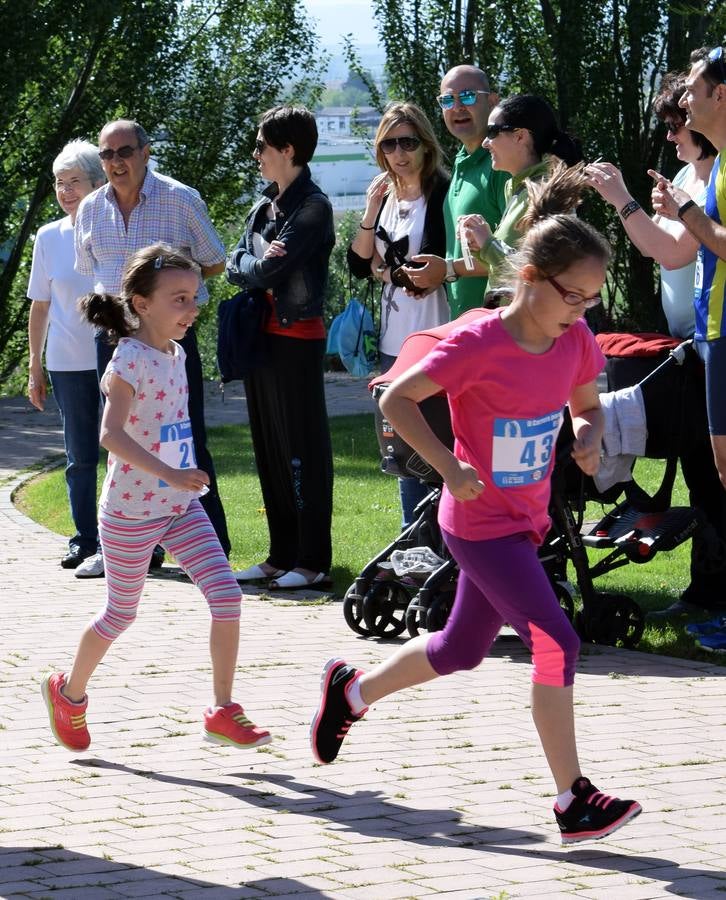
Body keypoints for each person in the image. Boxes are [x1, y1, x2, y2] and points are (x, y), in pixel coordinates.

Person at [310, 169, 642, 845]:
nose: (581, 310)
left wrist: (587, 436)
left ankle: (351, 692)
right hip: (478, 527)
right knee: (558, 640)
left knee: (460, 650)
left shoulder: (574, 340)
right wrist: (448, 466)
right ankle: (572, 800)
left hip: (526, 524)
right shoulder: (480, 344)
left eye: (589, 299)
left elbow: (585, 406)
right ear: (530, 279)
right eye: (571, 295)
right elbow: (395, 400)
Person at [40, 243, 270, 754]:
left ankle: (222, 710)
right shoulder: (128, 359)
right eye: (179, 300)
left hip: (178, 508)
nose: (193, 309)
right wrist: (170, 471)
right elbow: (110, 436)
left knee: (227, 596)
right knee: (120, 615)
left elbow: (170, 425)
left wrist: (186, 470)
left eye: (194, 298)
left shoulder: (177, 352)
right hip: (129, 514)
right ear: (142, 304)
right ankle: (68, 693)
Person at [587, 72, 726, 617]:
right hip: (694, 339)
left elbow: (672, 252)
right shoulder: (690, 175)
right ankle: (707, 591)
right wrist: (623, 200)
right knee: (703, 470)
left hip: (711, 336)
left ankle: (713, 595)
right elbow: (658, 247)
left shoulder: (711, 175)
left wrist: (623, 197)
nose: (671, 134)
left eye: (677, 123)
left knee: (714, 473)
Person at [73, 118, 230, 578]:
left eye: (124, 152)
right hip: (115, 341)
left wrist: (172, 301)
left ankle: (208, 547)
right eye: (107, 155)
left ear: (145, 152)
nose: (116, 163)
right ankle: (126, 549)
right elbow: (92, 271)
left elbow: (214, 260)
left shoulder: (180, 199)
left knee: (183, 437)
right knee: (120, 439)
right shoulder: (89, 209)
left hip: (167, 339)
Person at [226, 106, 335, 591]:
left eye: (262, 146)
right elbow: (236, 258)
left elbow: (266, 271)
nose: (256, 155)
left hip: (297, 339)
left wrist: (252, 261)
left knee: (302, 451)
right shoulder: (267, 203)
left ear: (287, 150)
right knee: (270, 448)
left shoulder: (312, 207)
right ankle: (279, 554)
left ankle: (312, 561)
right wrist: (252, 259)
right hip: (262, 338)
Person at [348, 101, 450, 528]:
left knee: (439, 449)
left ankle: (445, 543)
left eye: (408, 142)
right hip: (394, 347)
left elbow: (435, 265)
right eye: (389, 144)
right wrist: (371, 210)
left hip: (435, 339)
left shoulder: (442, 192)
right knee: (402, 452)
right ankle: (413, 544)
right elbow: (356, 264)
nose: (399, 153)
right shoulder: (385, 195)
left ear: (425, 145)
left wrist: (386, 271)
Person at [26, 140, 106, 569]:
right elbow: (40, 304)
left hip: (116, 359)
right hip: (66, 362)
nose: (65, 191)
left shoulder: (113, 227)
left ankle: (136, 541)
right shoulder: (47, 237)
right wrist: (35, 365)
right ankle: (85, 539)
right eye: (59, 183)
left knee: (125, 455)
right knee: (80, 458)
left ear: (98, 182)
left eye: (74, 181)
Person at [650, 47, 726, 494]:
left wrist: (685, 213)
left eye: (692, 92)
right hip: (712, 330)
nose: (683, 103)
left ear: (720, 95)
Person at [400, 65, 509, 316]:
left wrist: (448, 269)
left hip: (498, 325)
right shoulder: (462, 160)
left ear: (492, 102)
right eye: (448, 100)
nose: (457, 107)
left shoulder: (503, 163)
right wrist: (434, 275)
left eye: (468, 96)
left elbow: (517, 252)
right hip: (466, 323)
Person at [459, 94, 584, 291]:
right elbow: (516, 264)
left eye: (492, 132)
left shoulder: (545, 193)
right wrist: (481, 246)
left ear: (520, 136)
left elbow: (543, 277)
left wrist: (489, 244)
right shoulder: (520, 189)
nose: (485, 142)